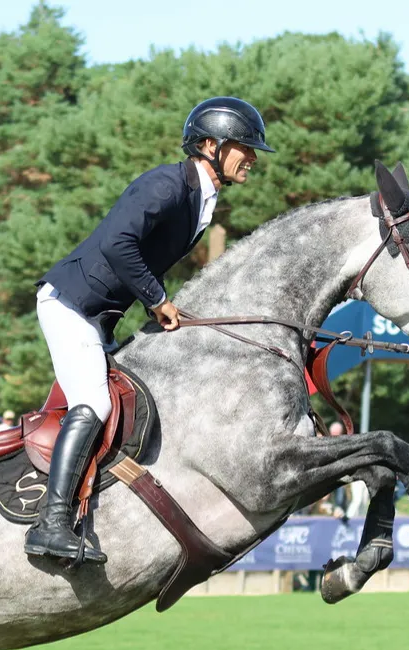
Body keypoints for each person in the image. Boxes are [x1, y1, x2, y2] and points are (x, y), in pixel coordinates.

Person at [27, 95, 272, 564]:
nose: (253, 158)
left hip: (97, 315)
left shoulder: (201, 197)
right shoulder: (166, 184)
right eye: (245, 146)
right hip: (70, 304)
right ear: (210, 145)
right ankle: (50, 523)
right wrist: (158, 300)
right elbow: (119, 244)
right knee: (94, 402)